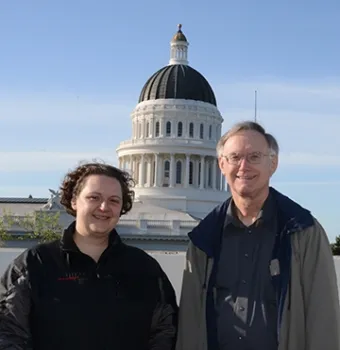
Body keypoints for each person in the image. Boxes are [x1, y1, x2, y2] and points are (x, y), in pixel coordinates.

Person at [176, 121, 340, 350]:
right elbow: (190, 324)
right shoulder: (204, 240)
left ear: (272, 163)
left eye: (254, 157)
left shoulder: (304, 232)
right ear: (222, 165)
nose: (243, 166)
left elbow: (323, 317)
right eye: (234, 157)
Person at [0, 162, 178, 350]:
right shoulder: (34, 265)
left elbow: (165, 333)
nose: (104, 207)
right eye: (94, 197)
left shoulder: (144, 269)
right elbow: (8, 333)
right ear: (74, 201)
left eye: (114, 200)